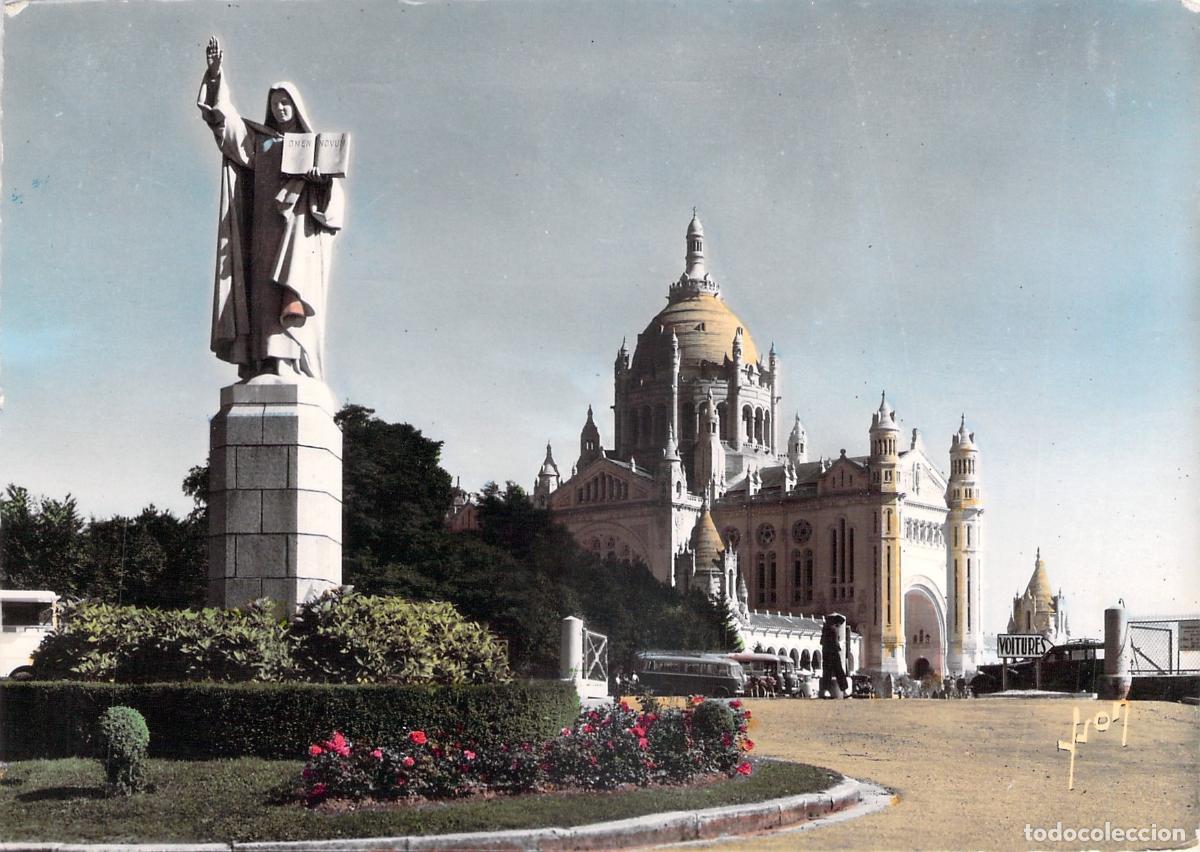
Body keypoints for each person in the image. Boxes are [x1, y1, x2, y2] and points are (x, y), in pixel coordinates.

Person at [198, 37, 346, 382]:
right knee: (263, 291)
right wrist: (216, 74)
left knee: (289, 289)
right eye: (275, 104)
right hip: (263, 230)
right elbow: (226, 126)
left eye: (285, 104)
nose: (280, 109)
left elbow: (332, 208)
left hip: (297, 231)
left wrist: (320, 181)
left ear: (296, 107)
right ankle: (265, 361)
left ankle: (288, 361)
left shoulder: (313, 146)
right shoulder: (261, 141)